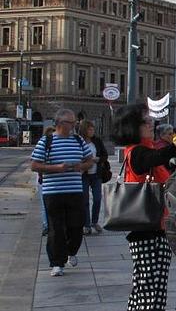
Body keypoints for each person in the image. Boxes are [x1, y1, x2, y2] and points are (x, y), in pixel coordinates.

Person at [110, 104, 176, 308]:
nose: (152, 124)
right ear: (132, 127)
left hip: (157, 228)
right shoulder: (137, 153)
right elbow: (162, 156)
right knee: (149, 290)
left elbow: (174, 164)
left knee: (152, 288)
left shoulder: (148, 151)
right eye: (146, 121)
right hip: (146, 230)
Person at [30, 109, 95, 277]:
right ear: (59, 124)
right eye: (71, 123)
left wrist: (82, 166)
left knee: (76, 226)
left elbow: (89, 160)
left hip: (75, 191)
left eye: (75, 123)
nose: (74, 126)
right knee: (56, 229)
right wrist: (56, 168)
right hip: (53, 192)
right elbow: (35, 165)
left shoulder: (78, 140)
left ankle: (70, 251)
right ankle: (57, 263)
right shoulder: (47, 141)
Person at [79, 119, 108, 235]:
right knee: (85, 200)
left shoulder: (97, 141)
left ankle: (94, 221)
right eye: (90, 129)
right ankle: (86, 224)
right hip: (83, 174)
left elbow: (104, 155)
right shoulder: (79, 141)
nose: (92, 131)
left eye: (93, 129)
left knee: (97, 198)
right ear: (84, 130)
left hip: (96, 174)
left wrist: (98, 159)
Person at [38, 125, 56, 237]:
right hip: (43, 180)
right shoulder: (42, 145)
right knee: (45, 205)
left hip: (53, 181)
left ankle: (52, 226)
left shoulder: (58, 147)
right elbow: (35, 165)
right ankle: (46, 226)